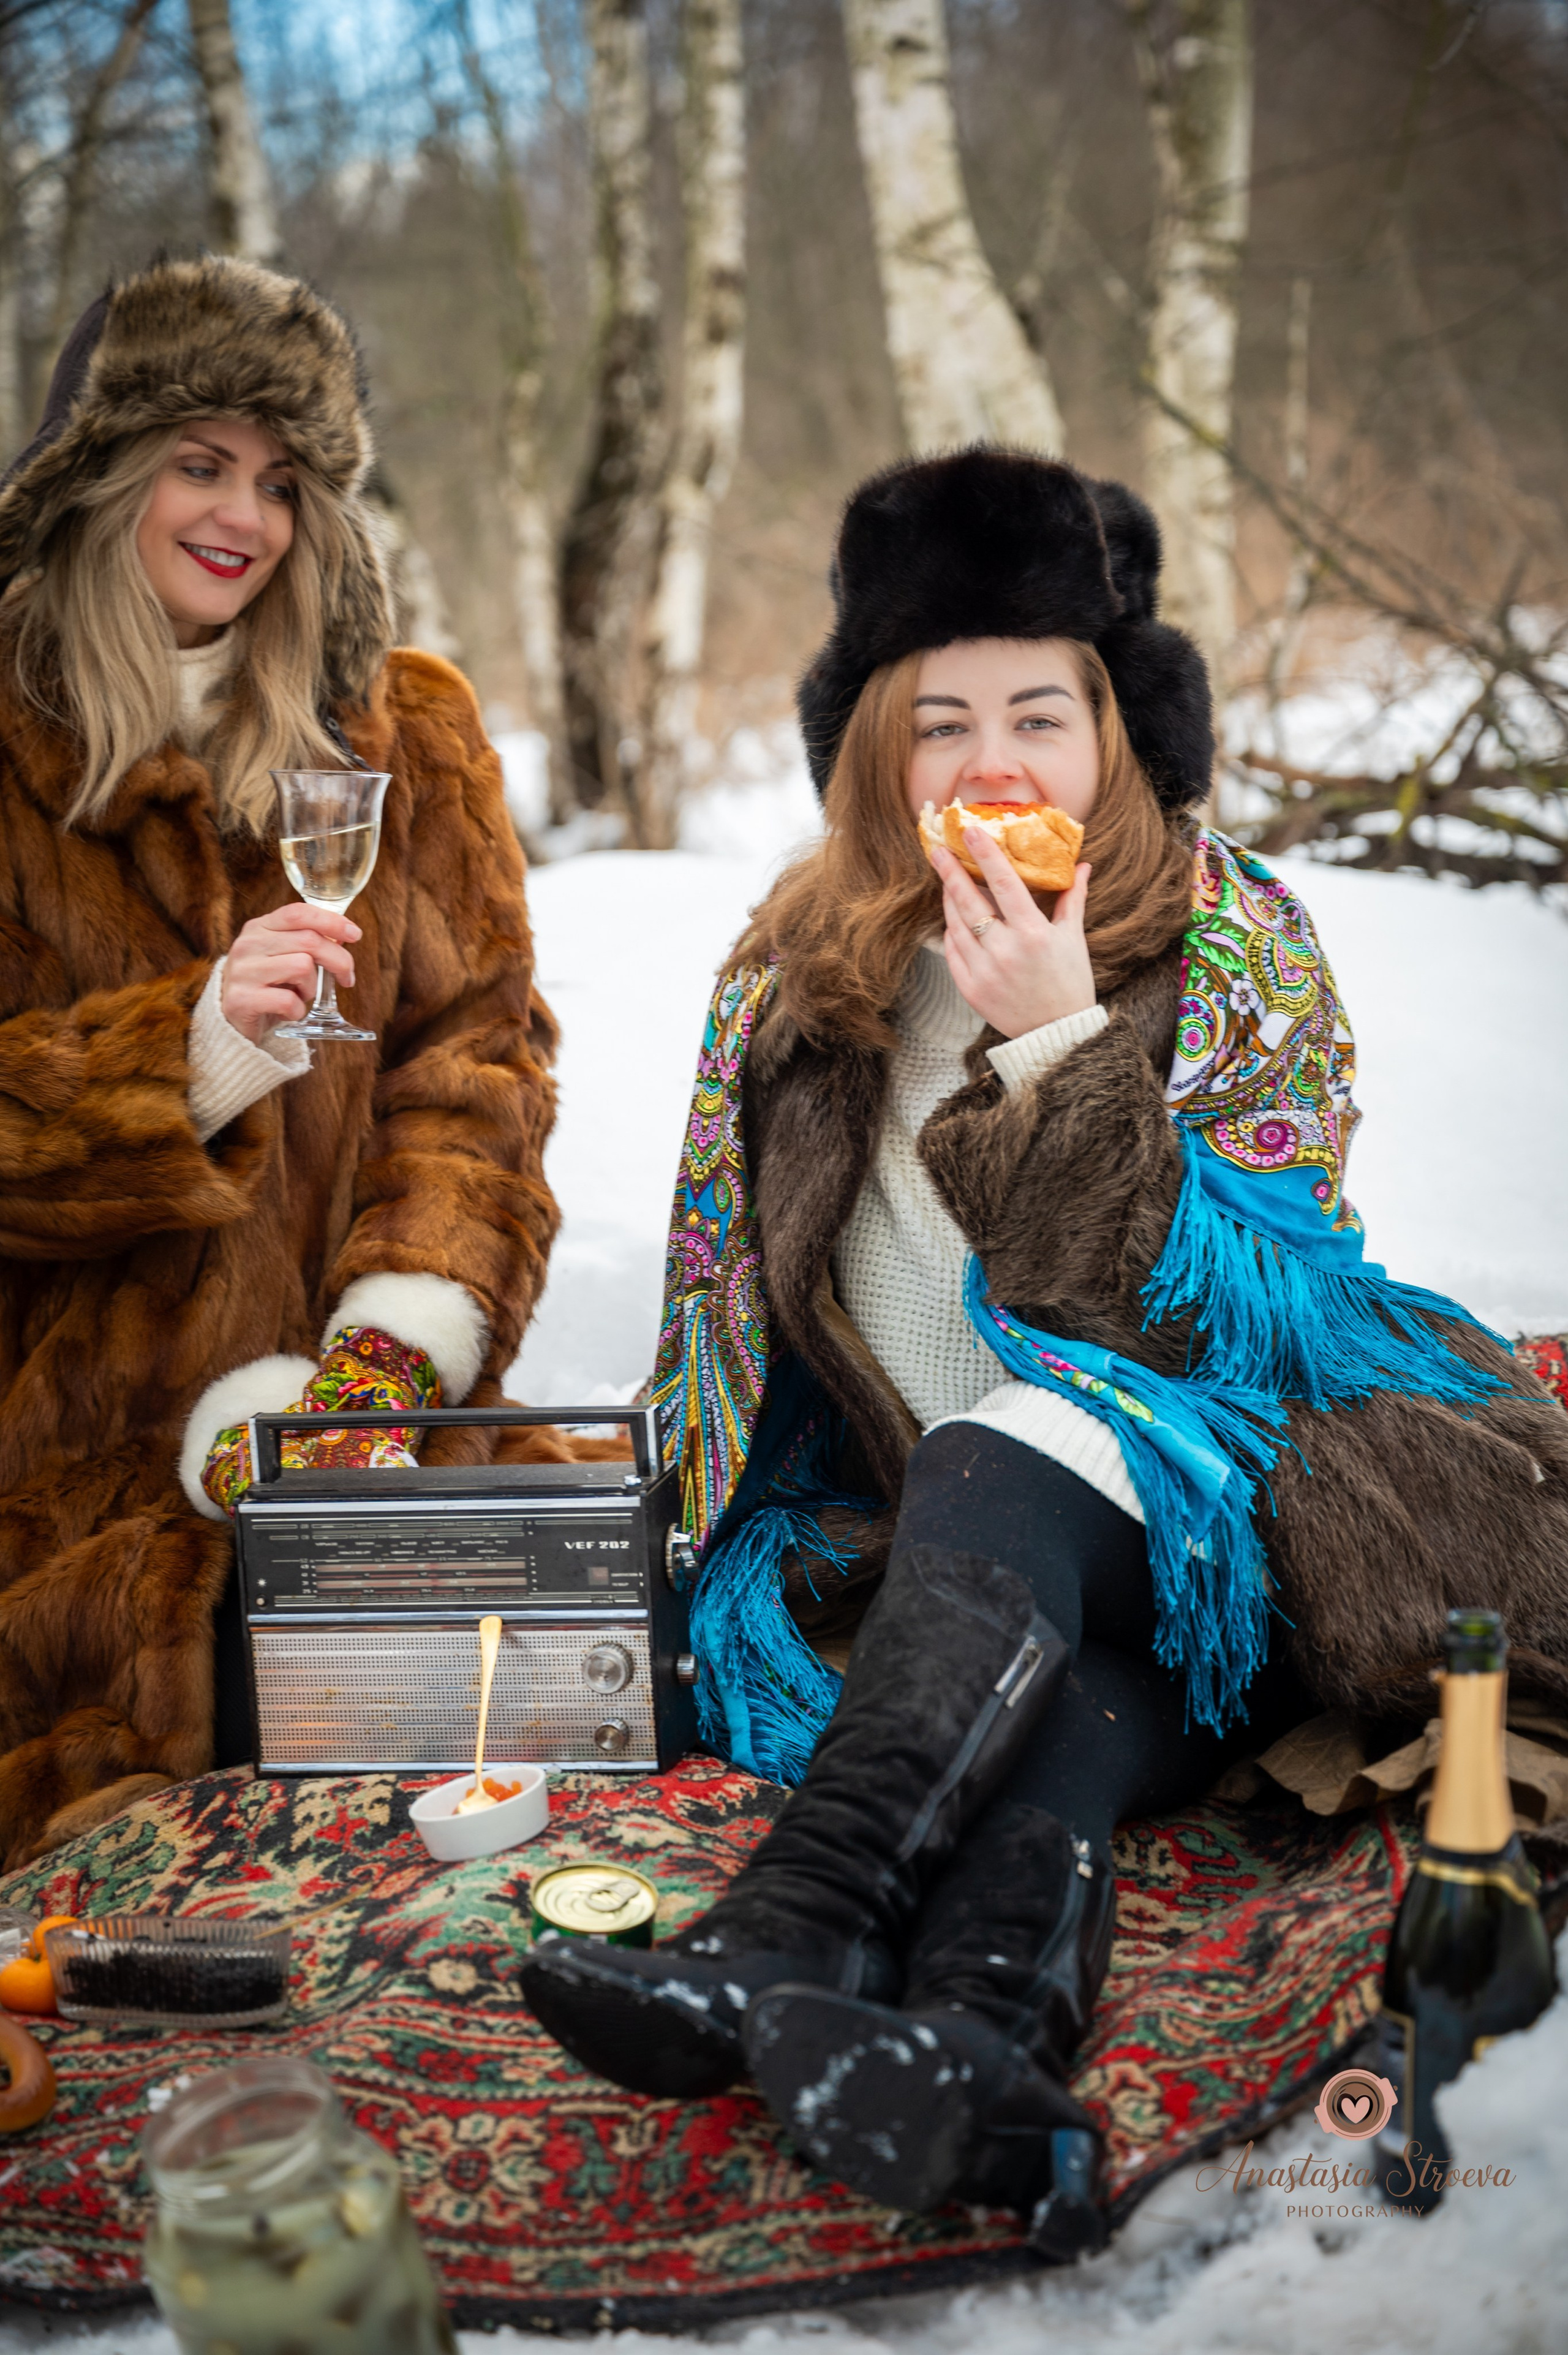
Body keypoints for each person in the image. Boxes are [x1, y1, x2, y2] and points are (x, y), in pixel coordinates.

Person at [521, 447, 1568, 2251]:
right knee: (1064, 1744)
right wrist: (645, 1568)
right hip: (951, 1582)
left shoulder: (1238, 940)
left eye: (1039, 712)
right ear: (876, 755)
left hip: (1224, 1531)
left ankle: (788, 1923)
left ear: (1116, 735)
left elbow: (1249, 1337)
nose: (992, 765)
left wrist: (1066, 1044)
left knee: (1013, 1432)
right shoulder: (790, 977)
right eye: (940, 723)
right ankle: (984, 2055)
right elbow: (717, 1315)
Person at [0, 254, 562, 1871]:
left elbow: (480, 1067)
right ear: (98, 475)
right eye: (200, 460)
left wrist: (379, 1369)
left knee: (541, 1763)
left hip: (365, 1396)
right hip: (76, 1455)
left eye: (284, 476)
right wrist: (185, 1060)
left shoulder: (409, 732)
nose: (244, 512)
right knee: (170, 1838)